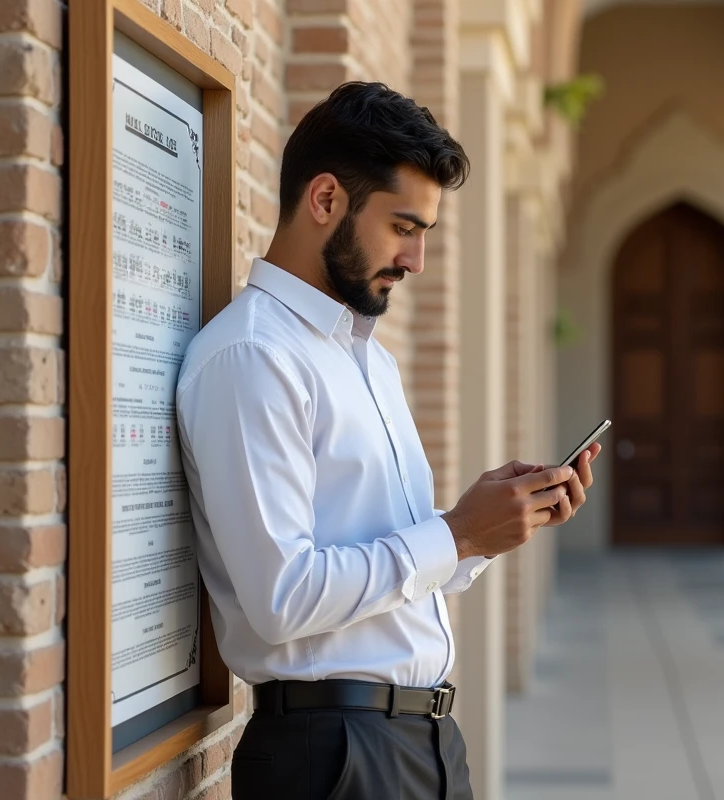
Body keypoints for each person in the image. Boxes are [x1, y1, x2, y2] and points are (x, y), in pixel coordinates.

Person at [175, 81, 600, 799]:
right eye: (404, 227)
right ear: (326, 201)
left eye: (425, 233)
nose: (416, 260)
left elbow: (393, 555)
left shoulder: (368, 358)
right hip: (333, 757)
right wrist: (457, 535)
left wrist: (486, 532)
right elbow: (282, 598)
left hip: (422, 742)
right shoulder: (253, 357)